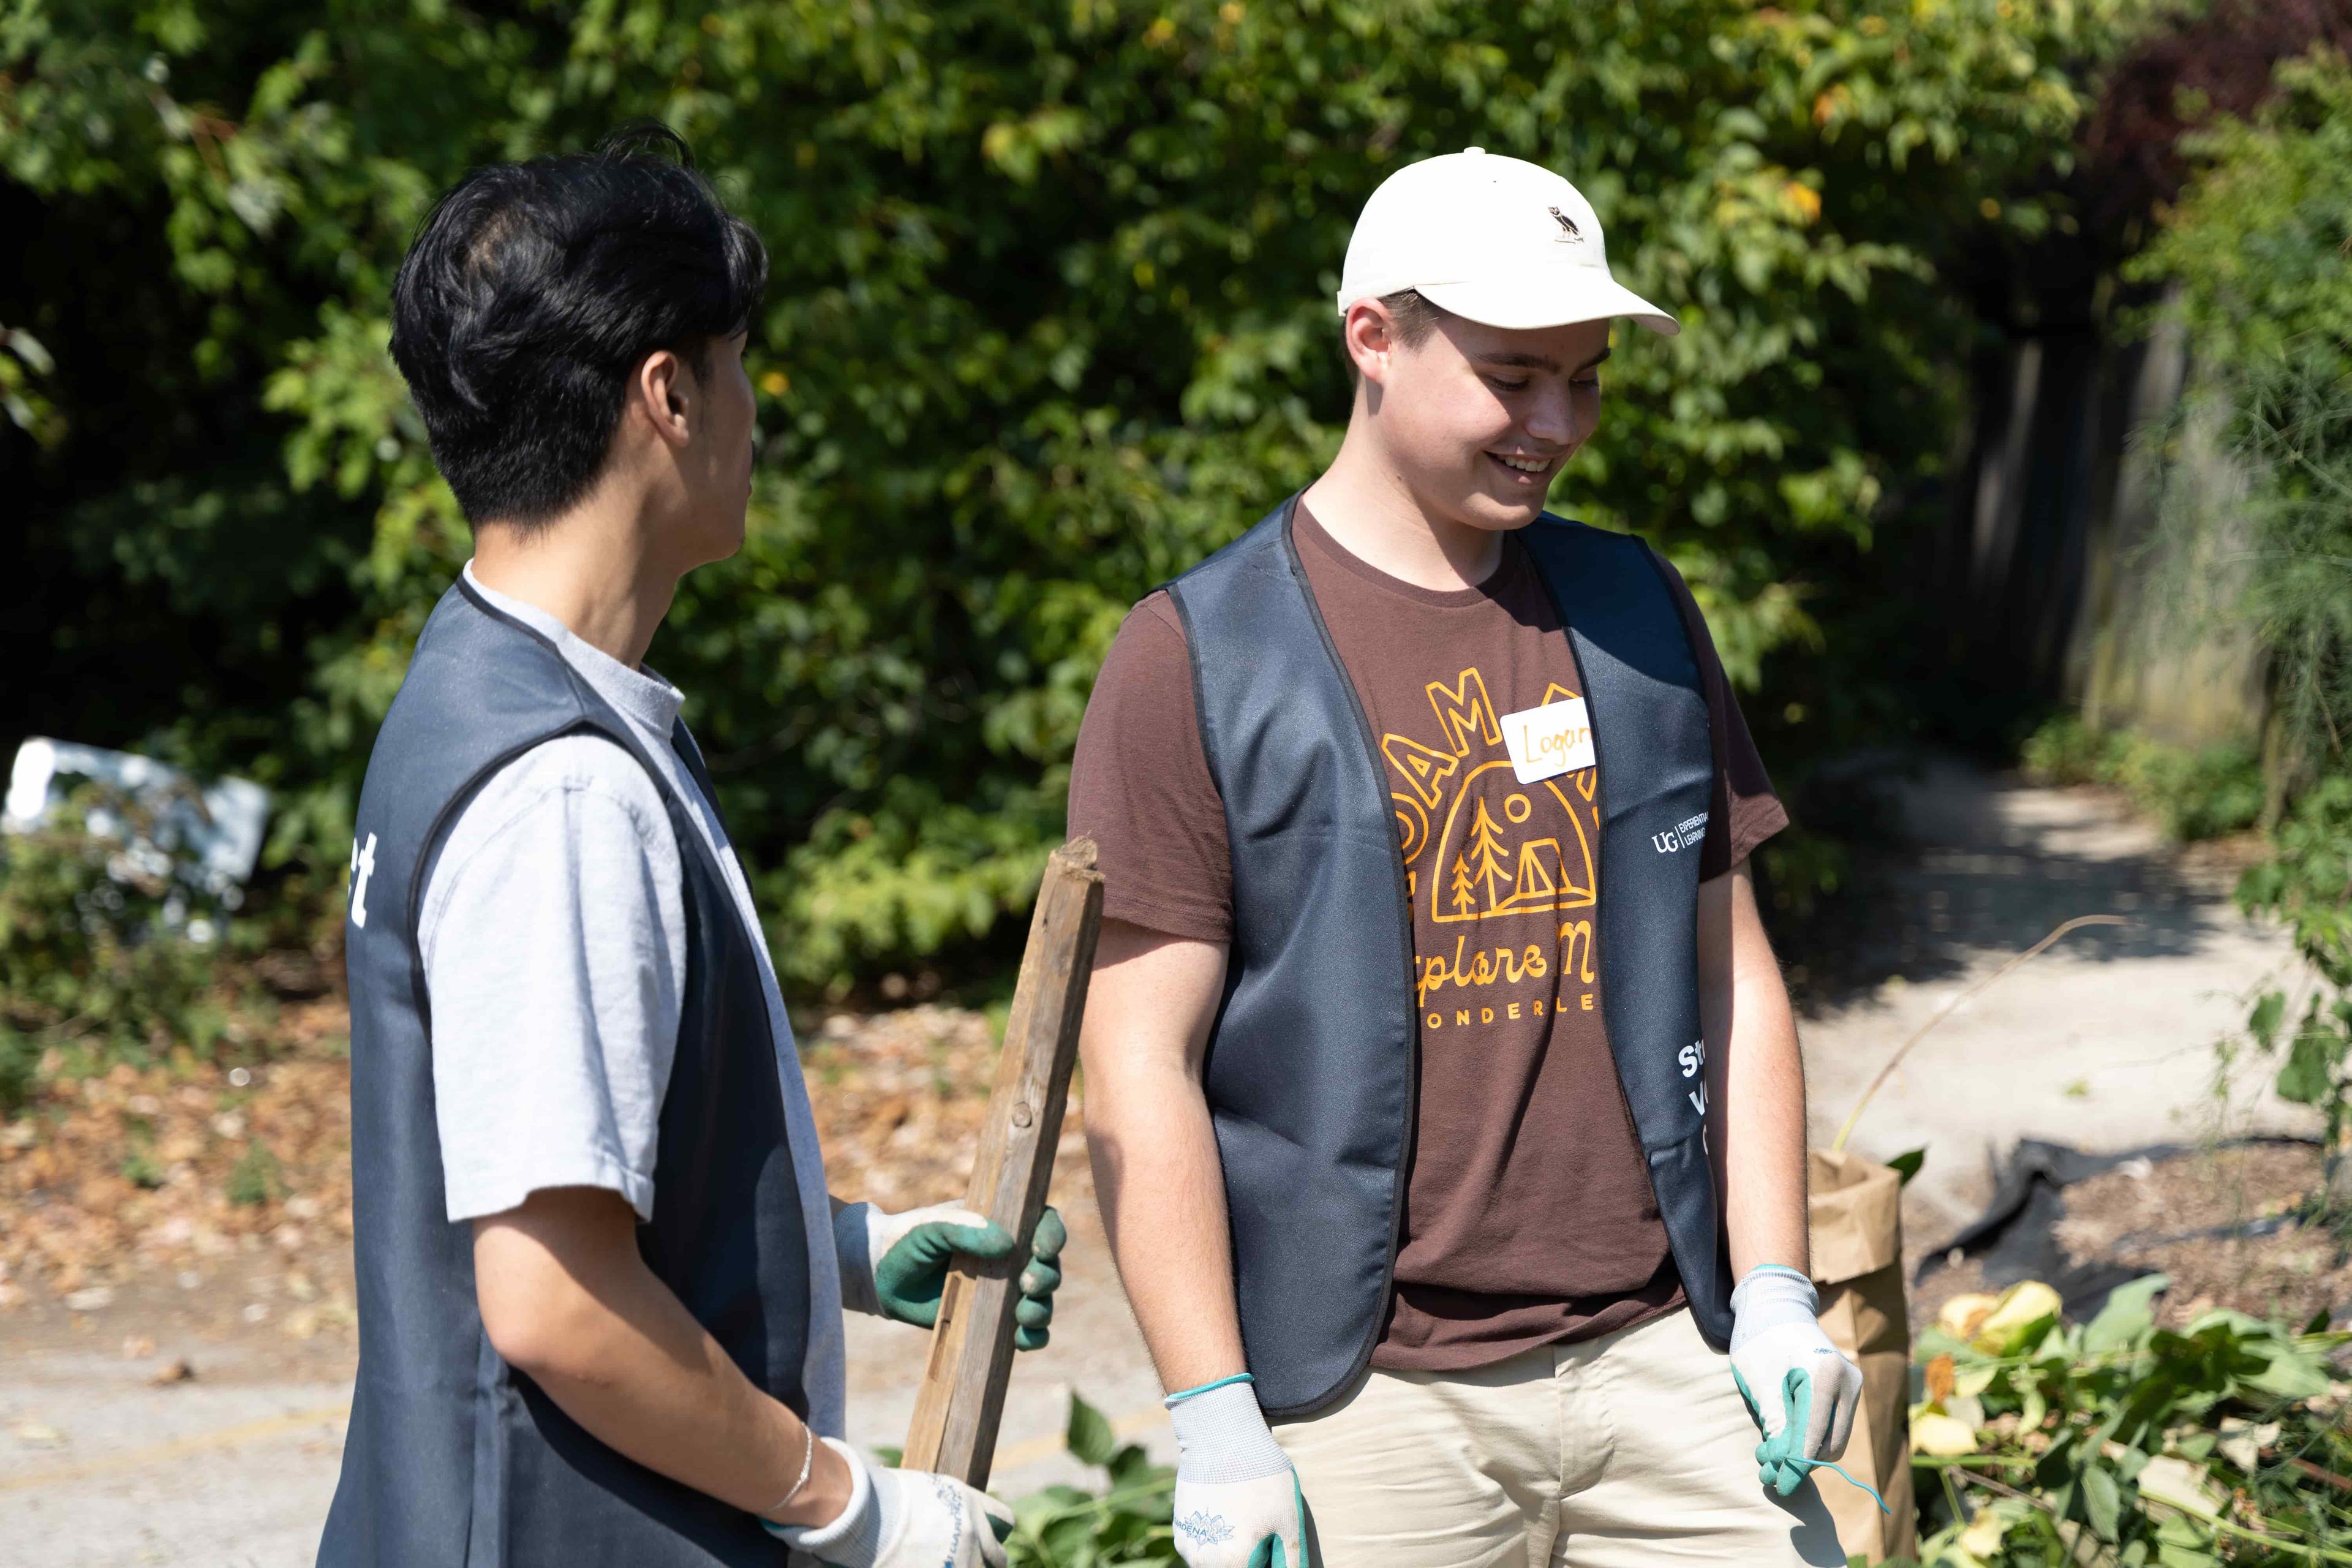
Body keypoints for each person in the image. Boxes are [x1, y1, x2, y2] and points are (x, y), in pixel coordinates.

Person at [1070, 147, 1862, 1567]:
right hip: (1372, 1396)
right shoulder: (1198, 653)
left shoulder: (1637, 607)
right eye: (1515, 375)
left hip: (1670, 1355)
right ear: (1371, 335)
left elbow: (1730, 972)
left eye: (1588, 378)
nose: (1556, 422)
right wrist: (1213, 1410)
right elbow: (1137, 1061)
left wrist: (1782, 1290)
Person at [318, 129, 1063, 1568]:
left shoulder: (483, 682)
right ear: (667, 391)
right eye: (739, 367)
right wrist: (845, 1499)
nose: (755, 418)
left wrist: (842, 1247)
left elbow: (539, 1146)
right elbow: (552, 1295)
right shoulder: (560, 789)